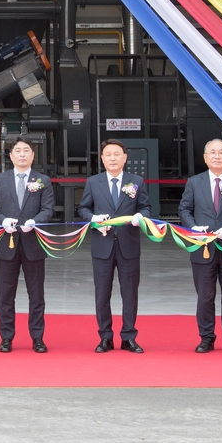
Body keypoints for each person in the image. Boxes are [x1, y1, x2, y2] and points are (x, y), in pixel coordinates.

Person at [177, 138, 222, 354]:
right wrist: (193, 228)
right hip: (203, 248)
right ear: (205, 157)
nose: (217, 156)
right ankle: (206, 337)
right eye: (213, 152)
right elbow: (184, 210)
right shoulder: (194, 182)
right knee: (205, 296)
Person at [78, 138, 151, 354]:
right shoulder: (93, 182)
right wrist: (94, 219)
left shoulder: (136, 181)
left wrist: (141, 216)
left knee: (130, 293)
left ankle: (129, 336)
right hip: (103, 246)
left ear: (125, 158)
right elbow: (83, 209)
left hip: (128, 245)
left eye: (116, 154)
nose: (112, 158)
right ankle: (105, 337)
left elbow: (146, 207)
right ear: (102, 158)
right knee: (102, 293)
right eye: (108, 154)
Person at [0, 137, 55, 353]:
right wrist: (2, 220)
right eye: (18, 151)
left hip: (34, 244)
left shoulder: (42, 180)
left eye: (26, 151)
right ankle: (6, 337)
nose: (22, 154)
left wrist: (36, 222)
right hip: (8, 244)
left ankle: (38, 337)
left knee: (36, 295)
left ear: (33, 155)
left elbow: (48, 209)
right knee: (6, 294)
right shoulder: (0, 179)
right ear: (11, 155)